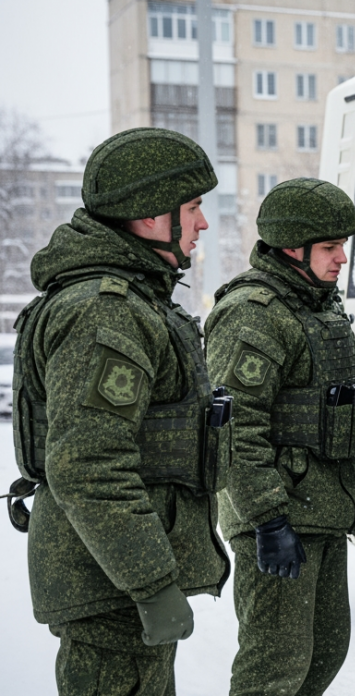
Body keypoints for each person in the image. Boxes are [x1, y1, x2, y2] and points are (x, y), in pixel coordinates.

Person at [8, 127, 230, 694]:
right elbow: (88, 465)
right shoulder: (106, 312)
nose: (203, 223)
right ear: (152, 215)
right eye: (193, 207)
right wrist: (151, 583)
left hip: (114, 583)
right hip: (111, 593)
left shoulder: (131, 298)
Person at [205, 178, 355, 696]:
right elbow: (238, 426)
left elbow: (324, 392)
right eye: (331, 247)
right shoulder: (254, 313)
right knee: (274, 669)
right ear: (293, 248)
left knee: (324, 653)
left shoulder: (313, 303)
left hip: (321, 509)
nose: (343, 258)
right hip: (280, 517)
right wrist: (267, 520)